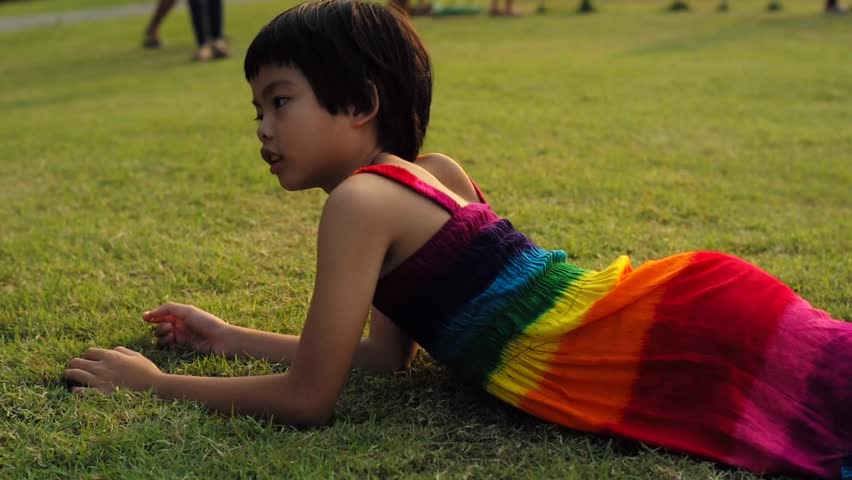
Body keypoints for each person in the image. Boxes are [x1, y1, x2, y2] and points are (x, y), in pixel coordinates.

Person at [63, 1, 851, 478]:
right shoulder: (428, 173)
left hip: (654, 330)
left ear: (362, 101)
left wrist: (149, 384)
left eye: (281, 101)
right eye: (256, 110)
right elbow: (385, 360)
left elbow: (310, 401)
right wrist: (227, 335)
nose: (263, 129)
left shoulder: (361, 203)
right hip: (674, 305)